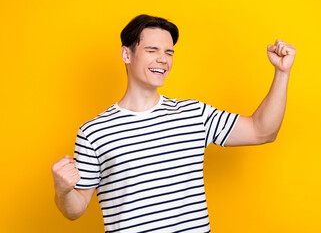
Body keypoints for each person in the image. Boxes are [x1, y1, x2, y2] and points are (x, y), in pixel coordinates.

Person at [51, 14, 296, 233]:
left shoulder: (194, 114)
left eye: (169, 53)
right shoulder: (94, 132)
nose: (163, 60)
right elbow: (76, 209)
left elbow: (262, 131)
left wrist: (282, 73)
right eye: (152, 50)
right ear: (127, 54)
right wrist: (63, 191)